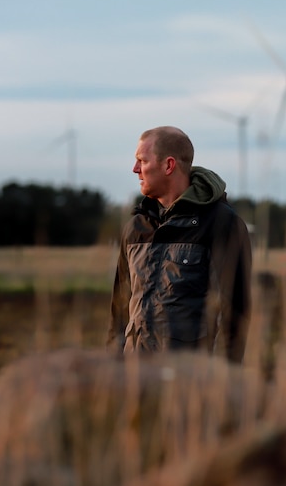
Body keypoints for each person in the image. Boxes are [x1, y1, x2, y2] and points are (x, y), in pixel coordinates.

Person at [108, 126, 252, 362]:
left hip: (189, 383)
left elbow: (234, 315)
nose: (135, 170)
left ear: (168, 165)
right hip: (135, 378)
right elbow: (119, 312)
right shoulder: (135, 228)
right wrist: (112, 373)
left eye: (142, 161)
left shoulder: (222, 224)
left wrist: (222, 382)